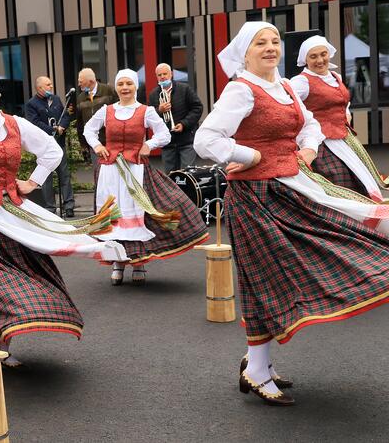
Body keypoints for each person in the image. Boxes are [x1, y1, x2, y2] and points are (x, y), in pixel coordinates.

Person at [194, 22, 389, 406]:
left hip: (293, 188)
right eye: (260, 44)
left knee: (327, 253)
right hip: (254, 196)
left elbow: (311, 124)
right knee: (265, 280)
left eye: (274, 42)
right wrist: (249, 156)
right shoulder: (240, 89)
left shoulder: (284, 87)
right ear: (244, 53)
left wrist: (310, 149)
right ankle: (258, 369)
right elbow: (206, 139)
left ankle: (257, 365)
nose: (270, 48)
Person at [0, 67, 128, 367]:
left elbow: (52, 151)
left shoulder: (15, 124)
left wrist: (32, 182)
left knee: (27, 273)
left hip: (12, 212)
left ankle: (3, 341)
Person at [85, 69, 208, 285]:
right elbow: (89, 129)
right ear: (116, 87)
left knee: (138, 214)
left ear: (135, 87)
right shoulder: (106, 111)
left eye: (129, 84)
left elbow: (164, 134)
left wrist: (148, 144)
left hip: (136, 169)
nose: (124, 88)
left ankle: (139, 262)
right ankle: (117, 262)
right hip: (111, 171)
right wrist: (97, 146)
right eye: (121, 84)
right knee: (115, 216)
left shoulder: (146, 111)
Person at [290, 35, 386, 202]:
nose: (320, 60)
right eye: (313, 56)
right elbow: (287, 105)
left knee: (359, 176)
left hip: (343, 137)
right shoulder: (301, 82)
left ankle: (364, 214)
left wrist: (346, 111)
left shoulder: (336, 76)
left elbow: (343, 99)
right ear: (305, 59)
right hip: (321, 142)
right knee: (337, 180)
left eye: (323, 54)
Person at [24, 76, 75, 217]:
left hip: (59, 143)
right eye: (48, 84)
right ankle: (50, 208)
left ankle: (69, 205)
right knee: (46, 178)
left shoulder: (57, 99)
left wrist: (62, 126)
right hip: (43, 146)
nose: (51, 86)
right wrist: (52, 130)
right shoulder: (31, 104)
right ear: (40, 88)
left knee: (64, 175)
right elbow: (34, 123)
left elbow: (65, 114)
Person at [146, 63, 204, 172]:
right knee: (170, 176)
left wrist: (184, 124)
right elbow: (149, 117)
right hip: (167, 143)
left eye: (165, 74)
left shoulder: (184, 89)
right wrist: (159, 110)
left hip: (186, 140)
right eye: (159, 75)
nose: (162, 77)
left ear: (171, 74)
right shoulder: (154, 94)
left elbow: (198, 108)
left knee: (188, 174)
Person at [74, 68, 117, 166]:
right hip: (94, 143)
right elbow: (80, 123)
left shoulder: (109, 91)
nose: (79, 84)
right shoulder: (80, 98)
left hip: (111, 141)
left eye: (81, 82)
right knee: (98, 173)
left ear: (91, 81)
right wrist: (83, 144)